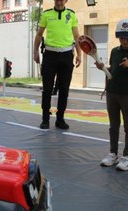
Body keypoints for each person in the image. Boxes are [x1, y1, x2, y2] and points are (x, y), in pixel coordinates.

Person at [96, 18, 128, 171]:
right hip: (112, 93)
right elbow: (112, 70)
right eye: (121, 37)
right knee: (113, 126)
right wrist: (103, 67)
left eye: (127, 37)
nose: (124, 40)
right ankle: (113, 154)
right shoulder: (114, 51)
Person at [33, 0, 81, 130]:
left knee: (64, 90)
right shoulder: (47, 14)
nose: (59, 2)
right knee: (47, 89)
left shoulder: (71, 15)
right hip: (50, 55)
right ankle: (45, 119)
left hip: (66, 55)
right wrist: (35, 52)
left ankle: (60, 119)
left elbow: (77, 37)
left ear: (65, 1)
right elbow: (38, 35)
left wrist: (79, 54)